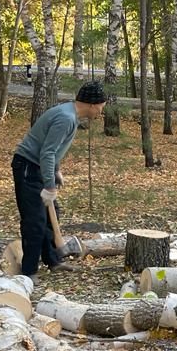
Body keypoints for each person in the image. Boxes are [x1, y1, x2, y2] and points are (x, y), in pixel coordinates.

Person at [11, 81, 107, 279]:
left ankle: (53, 261)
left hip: (38, 167)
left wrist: (56, 171)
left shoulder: (70, 115)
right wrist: (49, 185)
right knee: (35, 221)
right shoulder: (66, 118)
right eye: (101, 107)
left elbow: (51, 150)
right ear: (91, 104)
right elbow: (47, 152)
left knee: (50, 216)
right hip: (29, 167)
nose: (101, 112)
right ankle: (28, 272)